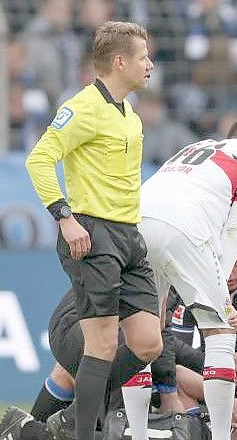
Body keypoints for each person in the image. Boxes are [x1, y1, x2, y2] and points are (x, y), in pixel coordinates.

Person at [24, 21, 160, 440]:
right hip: (92, 233)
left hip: (128, 237)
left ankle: (71, 417)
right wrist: (64, 217)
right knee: (100, 346)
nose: (149, 64)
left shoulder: (129, 111)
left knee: (148, 344)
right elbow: (39, 159)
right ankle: (80, 432)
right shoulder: (82, 108)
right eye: (142, 57)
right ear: (120, 62)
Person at [138, 112, 237, 440]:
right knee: (220, 333)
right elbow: (234, 229)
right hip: (180, 228)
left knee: (146, 335)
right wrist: (222, 294)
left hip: (137, 222)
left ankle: (137, 433)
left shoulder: (197, 148)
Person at [0, 287, 187, 440]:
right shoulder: (171, 256)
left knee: (73, 374)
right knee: (118, 413)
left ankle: (27, 429)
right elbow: (158, 330)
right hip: (90, 324)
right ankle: (36, 430)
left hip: (81, 321)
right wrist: (168, 389)